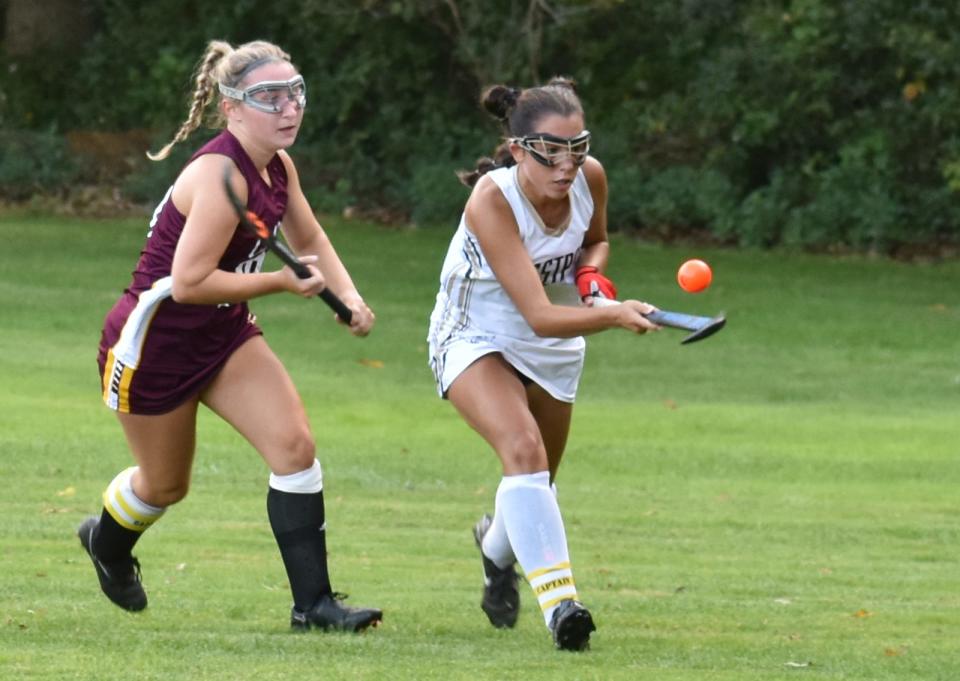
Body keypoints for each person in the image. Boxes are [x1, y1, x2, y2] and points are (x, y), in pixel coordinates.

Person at [77, 39, 382, 633]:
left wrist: (349, 299)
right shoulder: (220, 178)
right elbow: (188, 283)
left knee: (295, 449)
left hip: (223, 332)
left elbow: (312, 240)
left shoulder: (278, 167)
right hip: (153, 347)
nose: (289, 107)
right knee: (165, 486)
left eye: (295, 92)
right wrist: (279, 284)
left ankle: (313, 608)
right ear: (231, 107)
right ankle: (107, 544)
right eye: (270, 96)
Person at [427, 78, 660, 651]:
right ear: (516, 150)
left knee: (535, 482)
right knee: (524, 453)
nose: (566, 165)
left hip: (552, 344)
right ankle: (563, 609)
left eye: (576, 148)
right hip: (474, 332)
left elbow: (596, 242)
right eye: (549, 152)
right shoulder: (492, 198)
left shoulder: (591, 177)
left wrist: (592, 280)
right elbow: (535, 312)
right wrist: (612, 316)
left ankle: (495, 551)